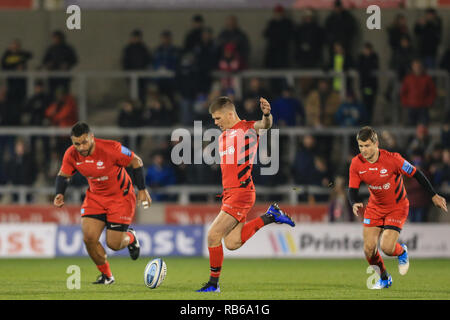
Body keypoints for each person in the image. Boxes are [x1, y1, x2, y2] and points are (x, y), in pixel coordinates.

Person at [196, 96, 295, 293]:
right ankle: (270, 216)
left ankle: (213, 285)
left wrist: (267, 114)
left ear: (230, 114)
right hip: (230, 194)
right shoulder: (223, 136)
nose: (215, 123)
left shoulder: (247, 128)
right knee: (232, 243)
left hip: (241, 193)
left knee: (212, 235)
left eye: (217, 118)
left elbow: (265, 125)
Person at [348, 126, 447, 289]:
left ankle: (401, 252)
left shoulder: (393, 159)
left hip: (397, 207)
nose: (363, 150)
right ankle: (385, 279)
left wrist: (433, 195)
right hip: (375, 207)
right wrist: (354, 202)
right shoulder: (356, 163)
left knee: (386, 247)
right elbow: (352, 188)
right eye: (361, 146)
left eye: (367, 145)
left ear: (376, 143)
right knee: (368, 249)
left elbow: (417, 173)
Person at [53, 122, 152, 284]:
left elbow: (136, 161)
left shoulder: (112, 148)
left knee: (114, 244)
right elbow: (63, 175)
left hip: (121, 198)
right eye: (76, 143)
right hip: (95, 197)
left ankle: (130, 238)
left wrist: (142, 189)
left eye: (84, 142)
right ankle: (107, 276)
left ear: (92, 137)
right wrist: (59, 193)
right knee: (89, 238)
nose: (81, 147)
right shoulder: (71, 154)